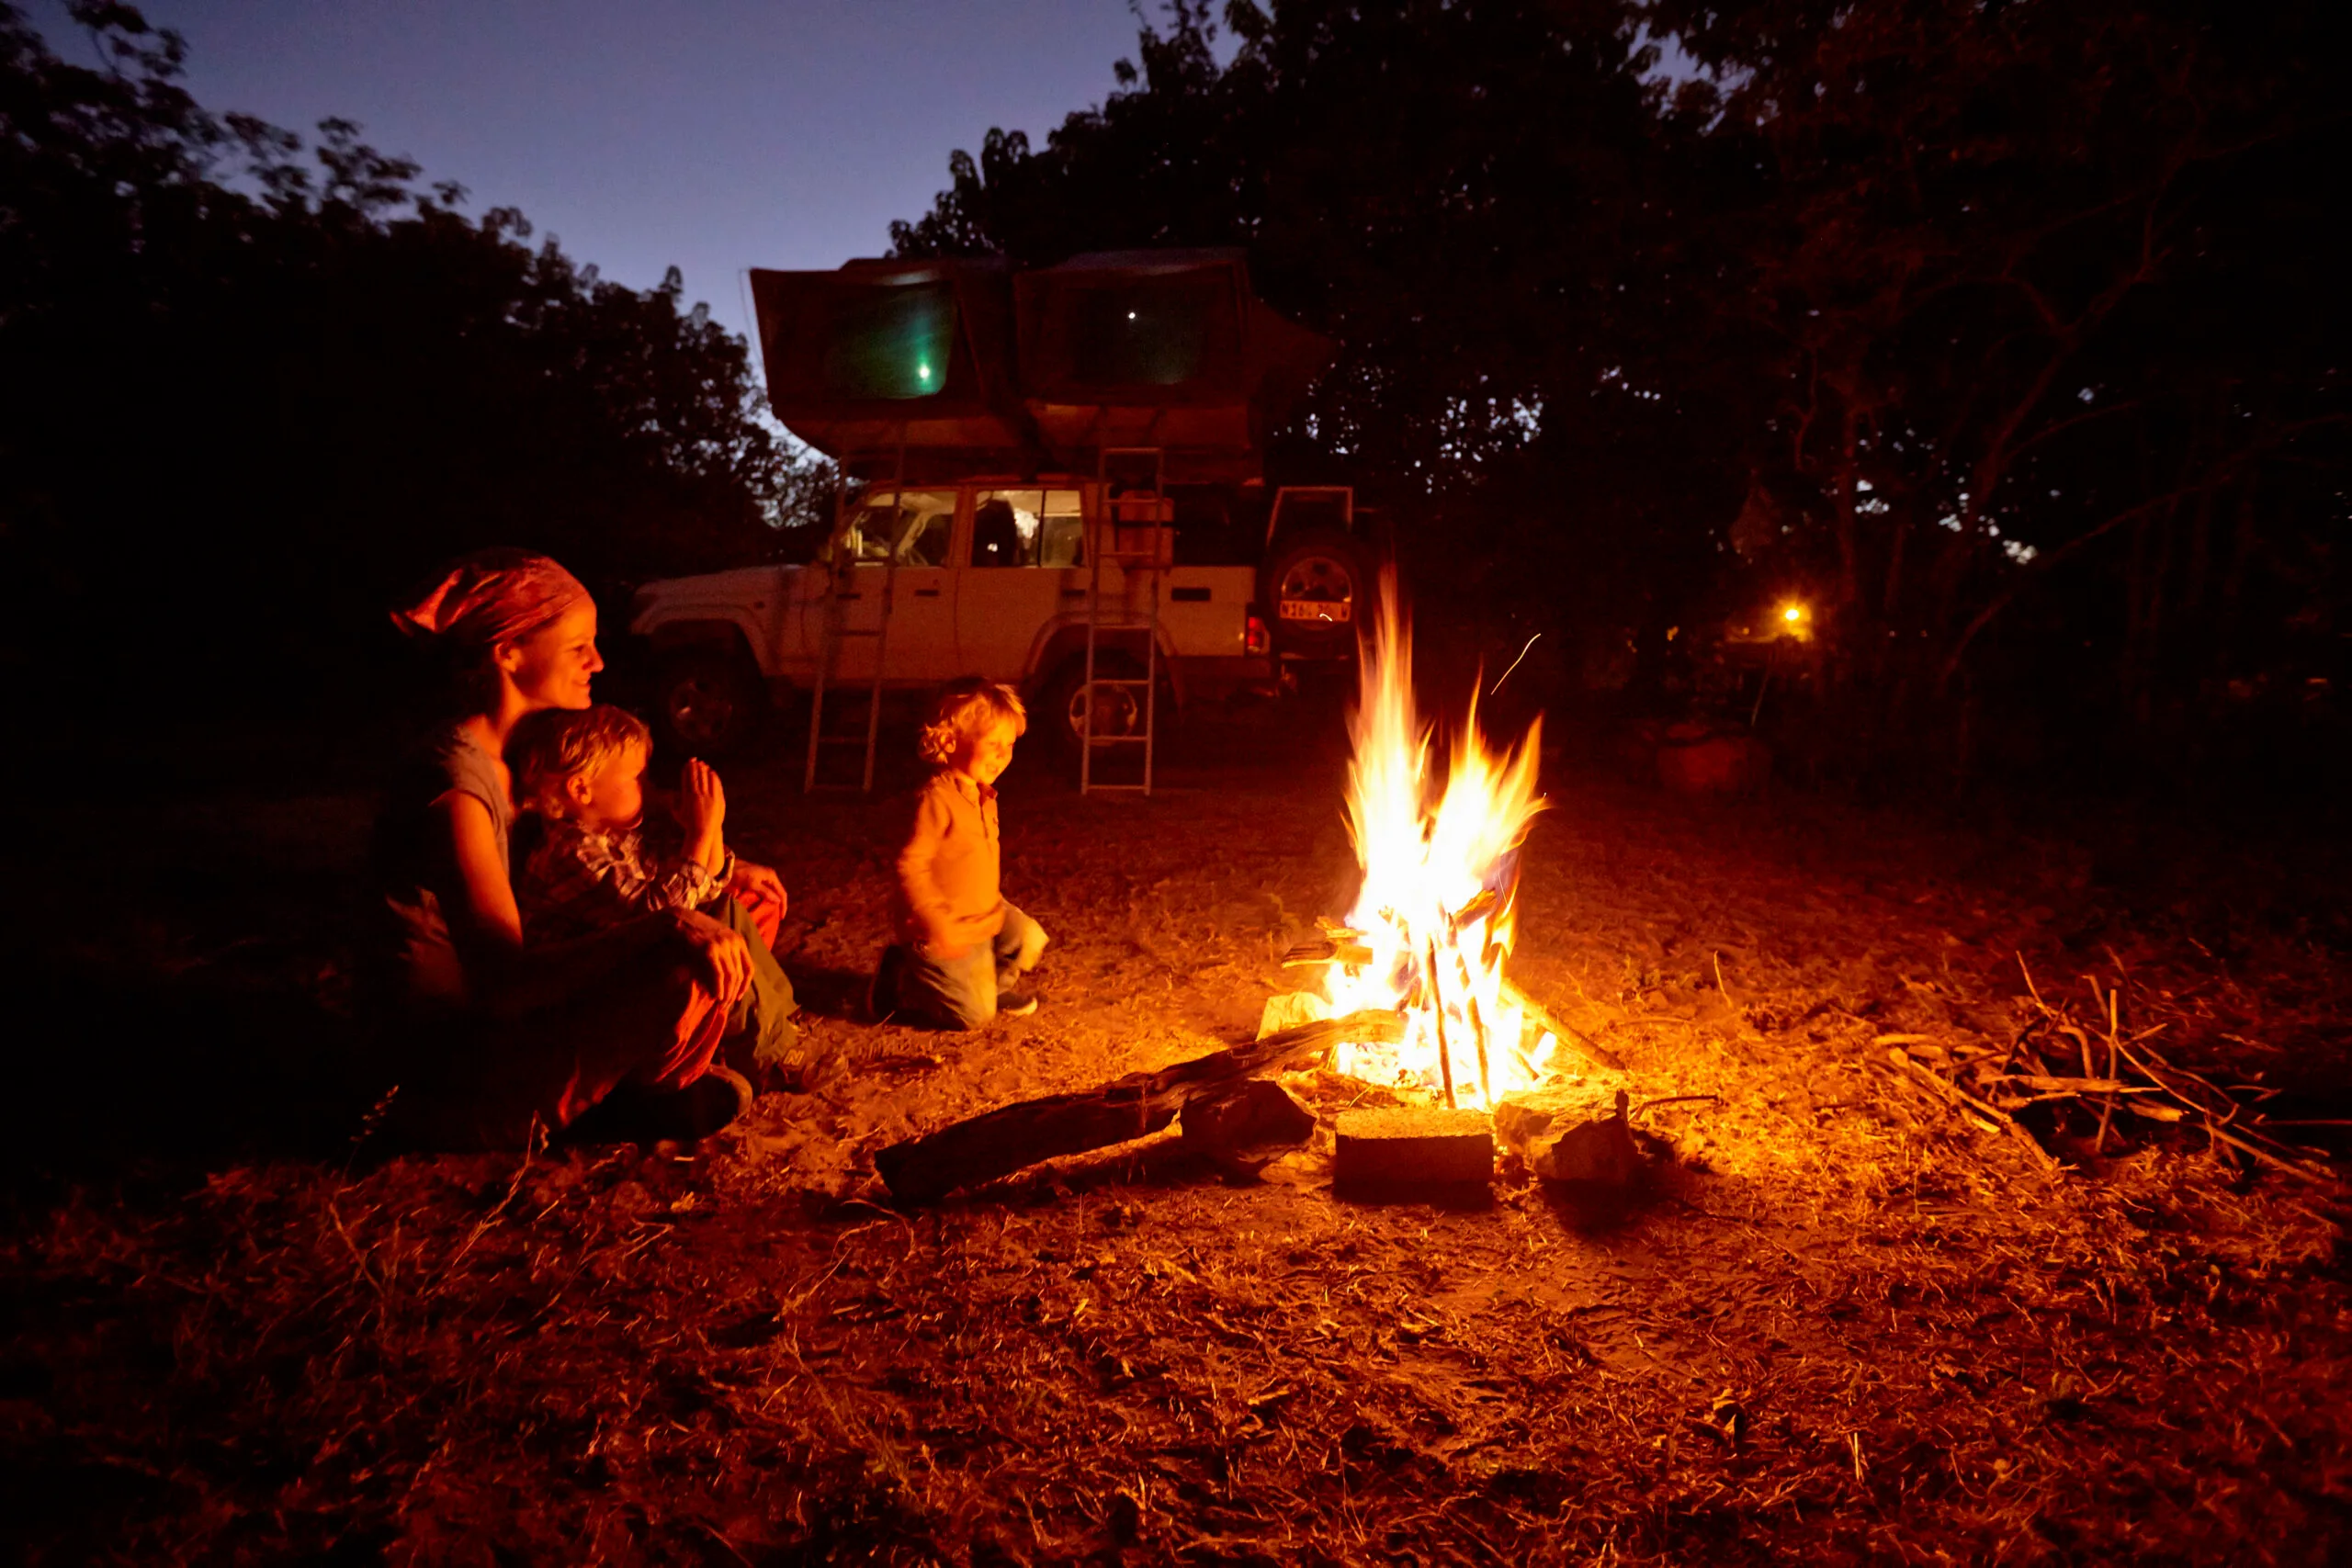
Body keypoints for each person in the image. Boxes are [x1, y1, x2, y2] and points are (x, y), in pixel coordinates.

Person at [368, 547, 787, 1149]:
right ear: (507, 654)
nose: (597, 660)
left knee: (735, 899)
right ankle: (580, 1107)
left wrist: (716, 870)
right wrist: (668, 923)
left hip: (526, 1005)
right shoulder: (455, 786)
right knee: (680, 953)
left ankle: (640, 1081)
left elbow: (599, 869)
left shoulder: (522, 755)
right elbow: (503, 981)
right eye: (577, 646)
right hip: (457, 1043)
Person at [506, 703, 802, 1088]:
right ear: (581, 788)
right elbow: (664, 916)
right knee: (716, 923)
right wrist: (700, 833)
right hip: (587, 1001)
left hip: (625, 971)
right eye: (636, 778)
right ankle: (769, 1054)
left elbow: (697, 890)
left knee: (729, 906)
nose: (648, 788)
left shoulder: (610, 838)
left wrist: (711, 831)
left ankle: (776, 1027)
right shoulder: (569, 852)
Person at [872, 677, 1049, 1028]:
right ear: (950, 742)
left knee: (1027, 938)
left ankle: (990, 986)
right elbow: (910, 866)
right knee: (973, 1017)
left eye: (1010, 744)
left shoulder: (984, 795)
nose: (1003, 754)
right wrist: (936, 921)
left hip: (981, 916)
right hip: (940, 928)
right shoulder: (936, 800)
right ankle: (904, 979)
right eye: (993, 743)